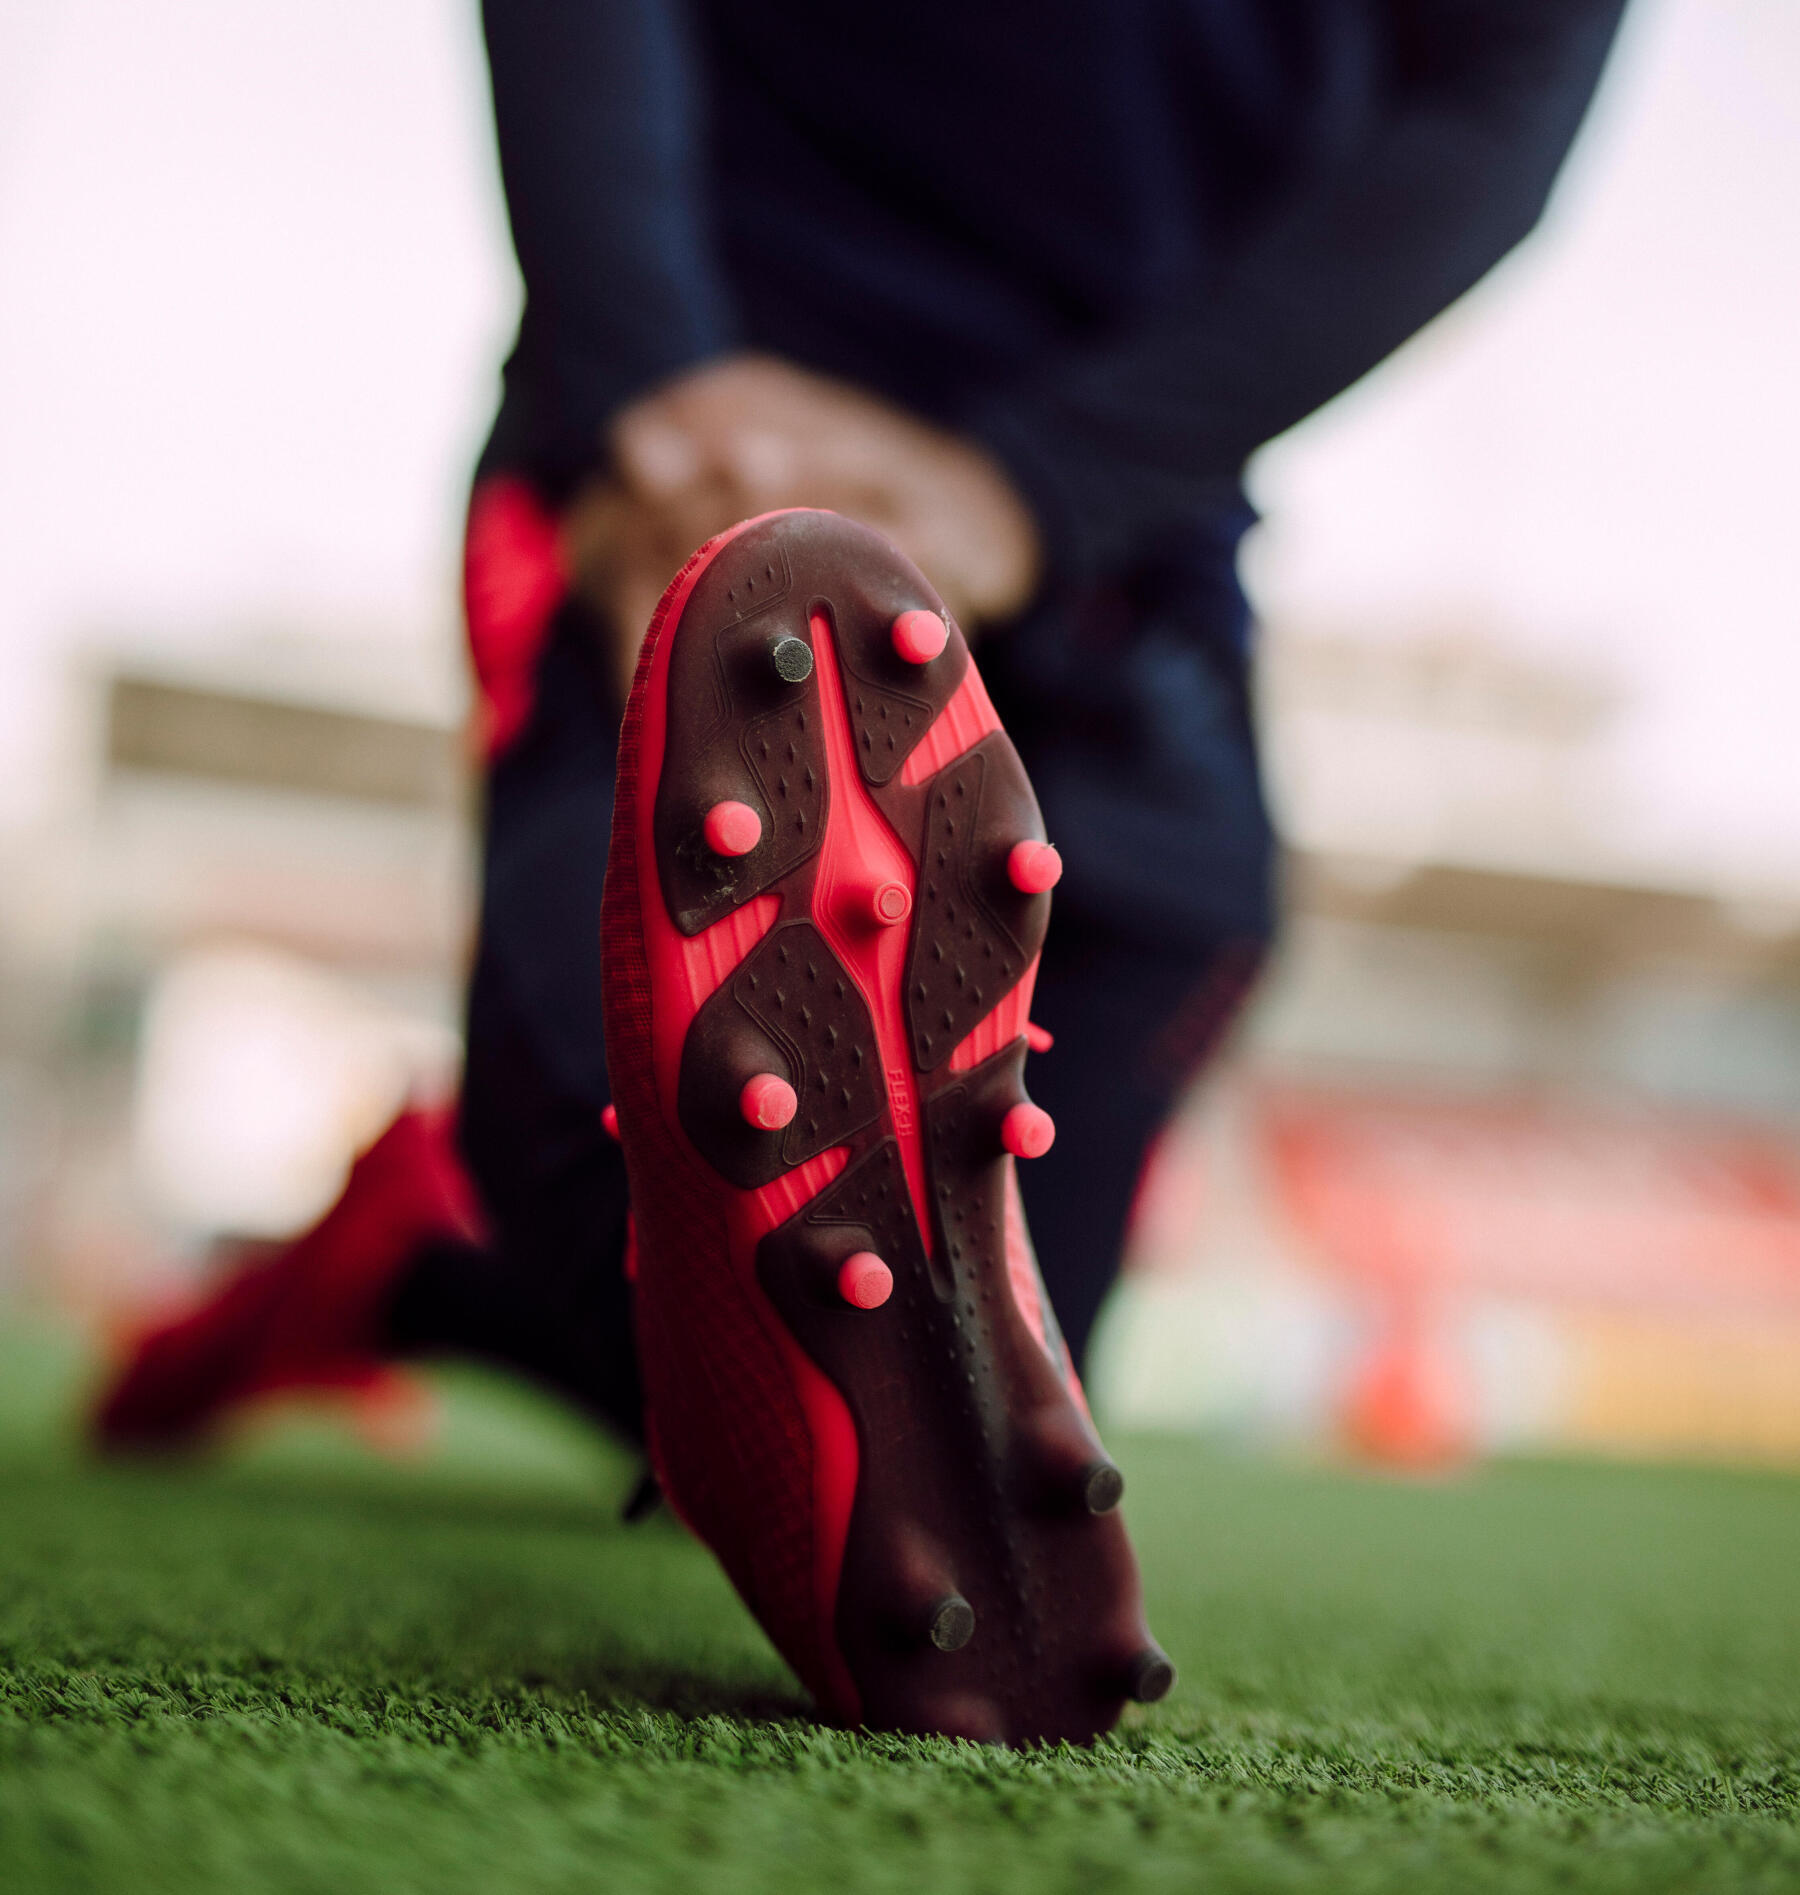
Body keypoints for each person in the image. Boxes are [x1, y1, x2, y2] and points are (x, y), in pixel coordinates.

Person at [95, 0, 1628, 1735]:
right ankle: (497, 1212)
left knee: (975, 1374)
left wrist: (1037, 488)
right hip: (710, 459)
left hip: (1119, 531)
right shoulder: (675, 425)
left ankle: (418, 1254)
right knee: (763, 1262)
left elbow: (1491, 120)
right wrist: (651, 390)